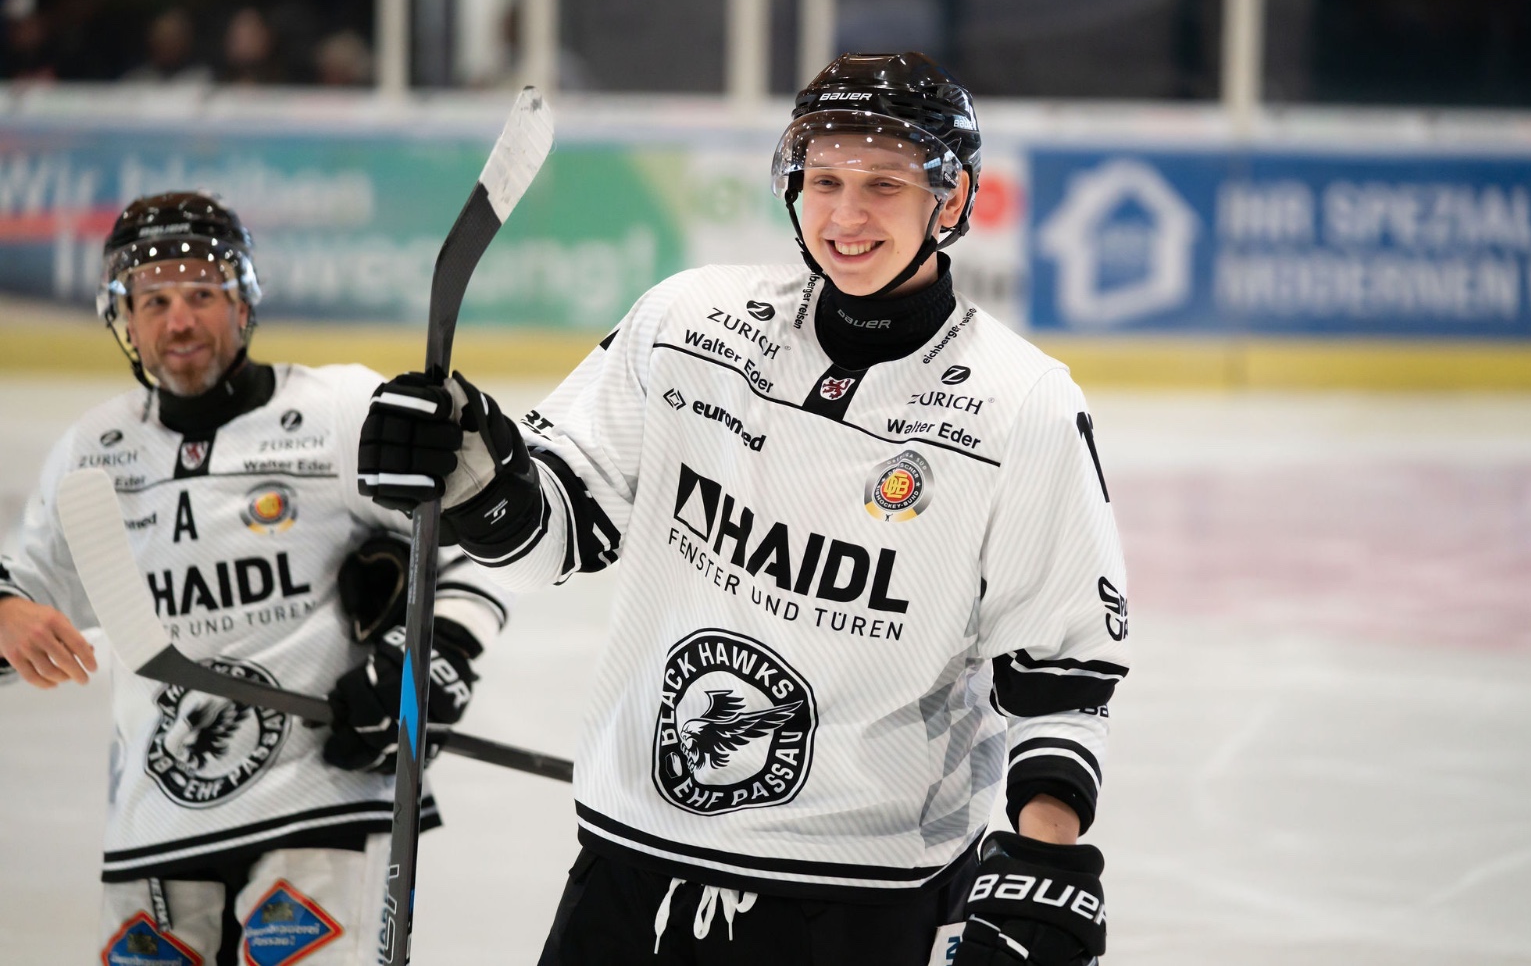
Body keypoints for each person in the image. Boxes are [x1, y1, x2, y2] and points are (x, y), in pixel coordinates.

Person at [360, 52, 1131, 965]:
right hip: (632, 862)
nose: (845, 215)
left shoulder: (1022, 404)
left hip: (863, 893)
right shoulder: (687, 324)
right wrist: (478, 481)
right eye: (825, 180)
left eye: (884, 185)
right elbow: (552, 532)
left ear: (951, 200)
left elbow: (1060, 670)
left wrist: (1045, 856)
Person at [0, 191, 507, 966]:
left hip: (321, 808)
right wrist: (5, 612)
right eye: (155, 300)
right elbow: (21, 588)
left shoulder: (337, 410)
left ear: (243, 304)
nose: (179, 321)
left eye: (202, 294)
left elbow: (469, 543)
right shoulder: (91, 453)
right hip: (156, 824)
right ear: (122, 317)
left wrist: (431, 665)